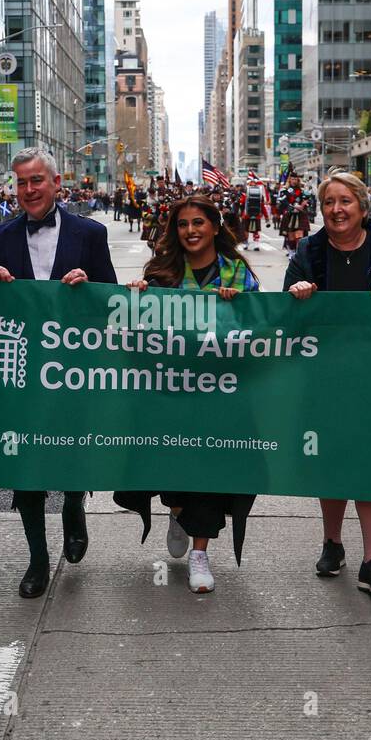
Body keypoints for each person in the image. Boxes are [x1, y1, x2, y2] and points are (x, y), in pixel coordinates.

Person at [0, 146, 116, 599]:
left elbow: (111, 300)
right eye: (20, 183)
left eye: (36, 180)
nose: (28, 190)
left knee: (73, 449)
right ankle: (38, 558)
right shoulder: (0, 236)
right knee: (27, 466)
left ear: (57, 184)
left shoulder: (91, 234)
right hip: (22, 368)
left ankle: (75, 506)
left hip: (73, 368)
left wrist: (90, 286)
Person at [284, 171, 371, 592]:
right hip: (324, 377)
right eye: (329, 202)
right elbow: (283, 306)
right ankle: (332, 542)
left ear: (362, 207)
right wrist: (299, 290)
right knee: (331, 459)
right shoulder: (308, 250)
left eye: (345, 201)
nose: (337, 210)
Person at [115, 192, 259, 593]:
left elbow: (261, 332)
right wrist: (136, 297)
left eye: (198, 223)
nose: (191, 231)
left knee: (212, 471)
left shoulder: (237, 274)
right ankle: (177, 512)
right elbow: (135, 333)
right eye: (183, 224)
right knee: (173, 464)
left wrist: (240, 307)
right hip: (170, 391)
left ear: (215, 227)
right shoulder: (161, 273)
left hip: (220, 391)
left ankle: (201, 552)